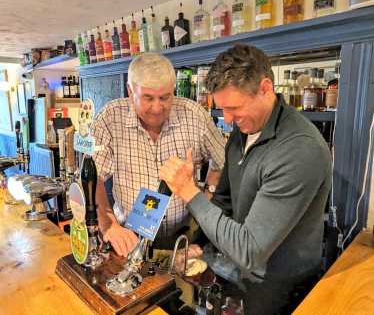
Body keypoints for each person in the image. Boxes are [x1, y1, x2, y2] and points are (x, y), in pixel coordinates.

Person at [159, 43, 332, 314]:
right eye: (222, 108)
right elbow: (224, 199)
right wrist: (197, 243)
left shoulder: (299, 149)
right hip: (242, 276)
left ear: (265, 88)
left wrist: (189, 191)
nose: (227, 120)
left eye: (234, 107)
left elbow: (250, 251)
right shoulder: (243, 132)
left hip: (281, 289)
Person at [91, 52, 225, 268]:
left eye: (165, 97)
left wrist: (208, 195)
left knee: (180, 298)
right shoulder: (109, 118)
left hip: (183, 240)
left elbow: (223, 162)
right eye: (148, 98)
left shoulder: (194, 115)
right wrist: (108, 226)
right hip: (127, 239)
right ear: (130, 90)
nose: (157, 108)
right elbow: (92, 177)